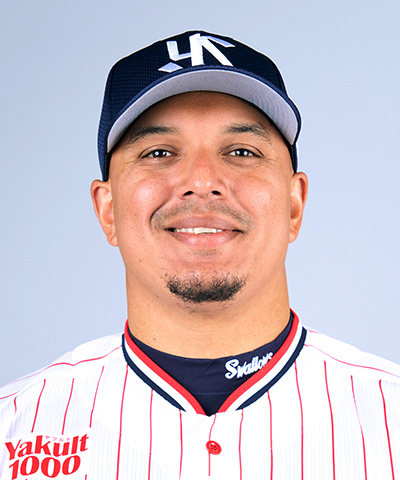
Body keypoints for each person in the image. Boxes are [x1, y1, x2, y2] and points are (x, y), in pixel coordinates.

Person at [0, 30, 399, 480]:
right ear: (107, 210)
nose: (203, 181)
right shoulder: (12, 428)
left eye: (242, 151)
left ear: (294, 204)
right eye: (159, 152)